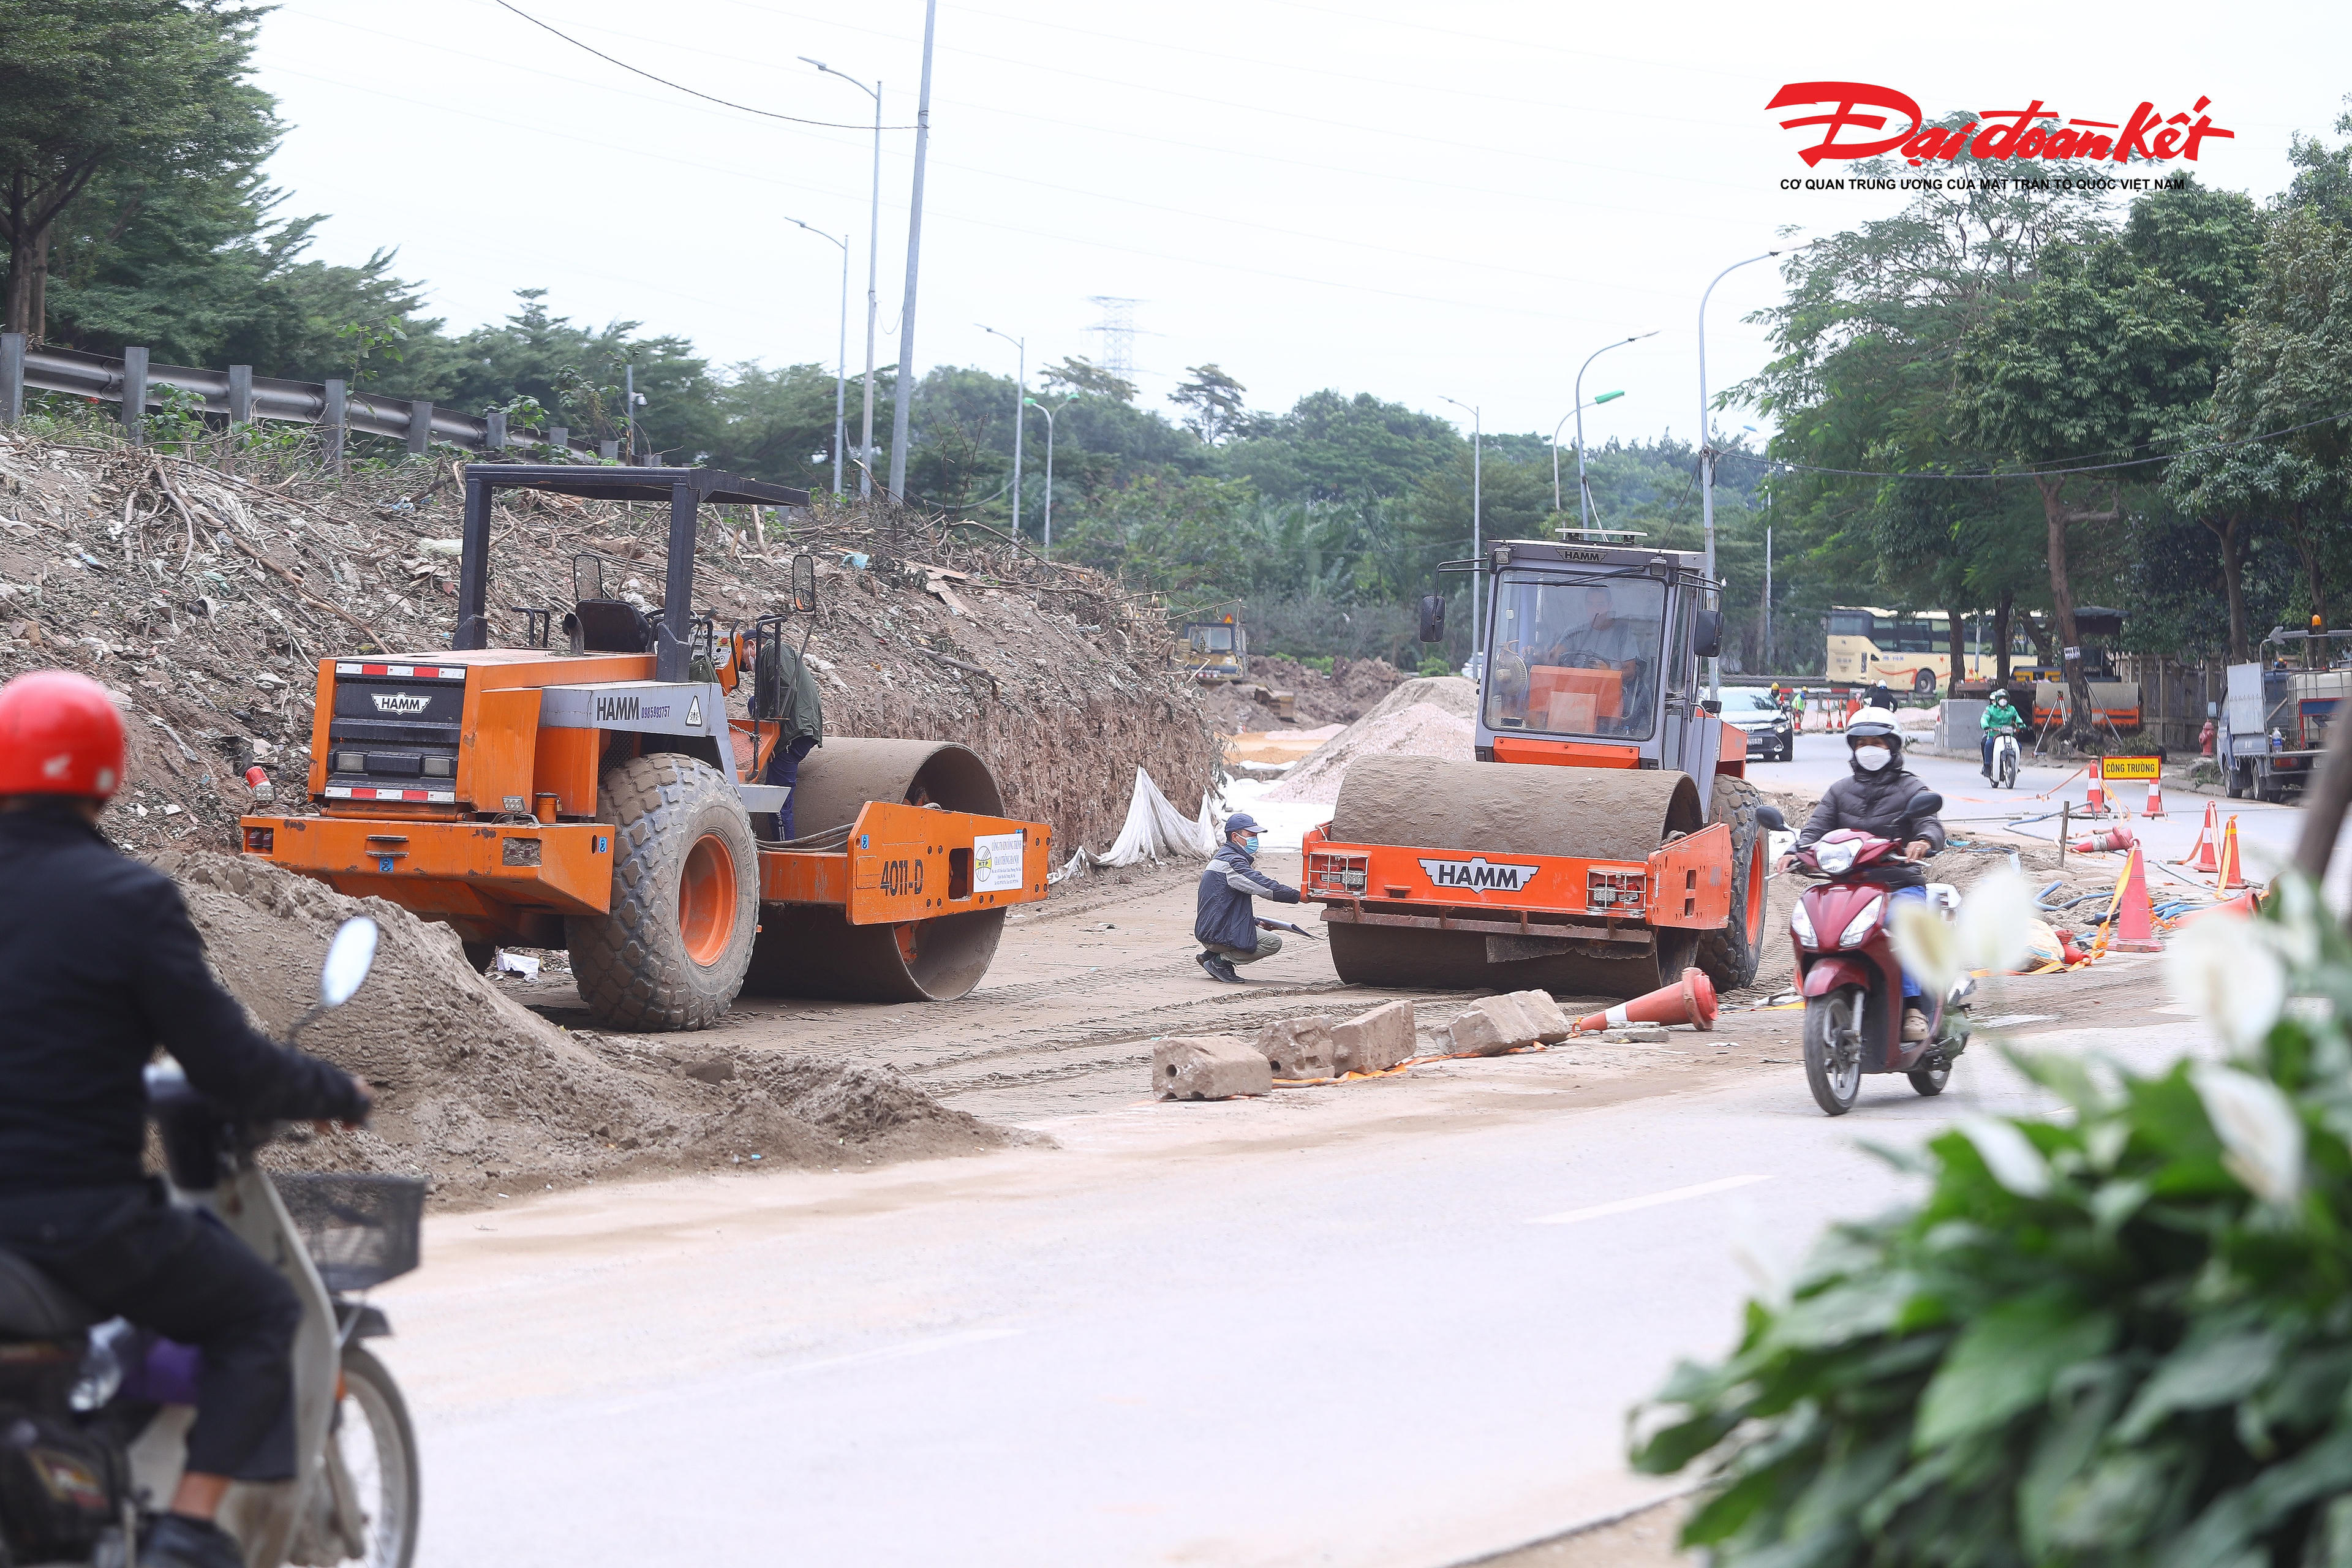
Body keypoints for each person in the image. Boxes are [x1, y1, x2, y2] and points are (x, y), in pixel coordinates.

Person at [0, 670, 373, 1568]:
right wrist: (334, 1091)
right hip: (78, 1222)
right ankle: (187, 1533)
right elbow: (228, 1065)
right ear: (108, 777)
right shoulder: (129, 900)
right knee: (261, 1312)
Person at [1778, 708, 1948, 1042]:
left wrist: (1924, 841)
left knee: (1902, 925)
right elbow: (1814, 831)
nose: (1869, 749)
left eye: (1877, 742)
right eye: (1862, 743)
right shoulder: (1840, 791)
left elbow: (1930, 823)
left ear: (1892, 746)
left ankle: (1913, 1006)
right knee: (1814, 921)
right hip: (1848, 887)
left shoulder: (1911, 788)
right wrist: (1793, 852)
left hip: (1899, 885)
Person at [1194, 811, 1302, 982]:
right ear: (1235, 837)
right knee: (1273, 942)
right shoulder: (1232, 863)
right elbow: (1264, 887)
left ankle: (1209, 955)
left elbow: (1224, 905)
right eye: (1251, 835)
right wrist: (1299, 896)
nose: (1255, 839)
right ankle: (1220, 962)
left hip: (1211, 928)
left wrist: (1255, 922)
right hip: (1216, 933)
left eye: (1256, 835)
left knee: (1257, 930)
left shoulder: (1223, 857)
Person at [757, 631, 824, 839]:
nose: (748, 667)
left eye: (744, 662)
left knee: (777, 803)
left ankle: (785, 850)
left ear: (752, 645)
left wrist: (772, 738)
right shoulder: (776, 652)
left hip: (792, 734)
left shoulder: (774, 650)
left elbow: (785, 688)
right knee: (753, 703)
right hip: (797, 729)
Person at [1980, 687, 2022, 777]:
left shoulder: (2012, 709)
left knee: (2019, 746)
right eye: (2001, 698)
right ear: (1997, 700)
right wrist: (1986, 726)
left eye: (2005, 698)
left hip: (2009, 735)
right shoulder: (1990, 709)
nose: (2003, 700)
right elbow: (1984, 718)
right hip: (1994, 734)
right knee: (1988, 744)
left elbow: (2018, 718)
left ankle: (2015, 765)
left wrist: (2021, 726)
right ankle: (1987, 766)